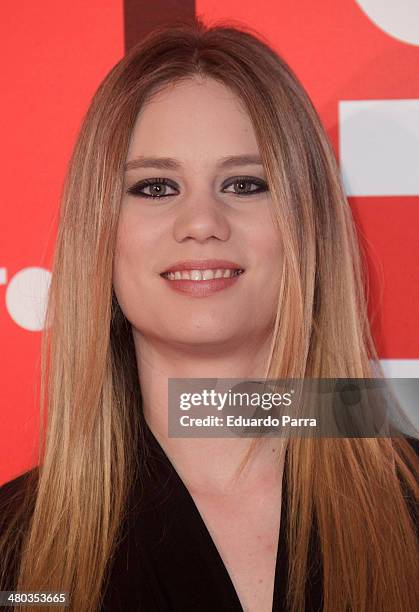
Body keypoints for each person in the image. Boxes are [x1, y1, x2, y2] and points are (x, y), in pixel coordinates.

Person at [1, 18, 418, 612]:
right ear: (98, 234)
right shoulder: (13, 552)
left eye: (246, 184)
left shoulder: (412, 505)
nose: (201, 221)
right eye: (154, 188)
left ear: (306, 225)